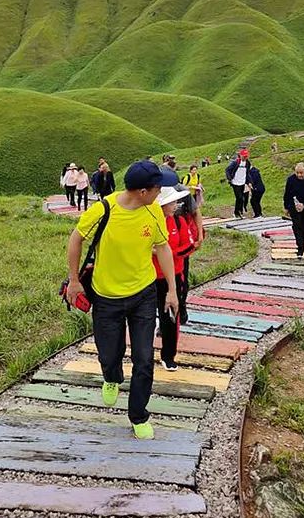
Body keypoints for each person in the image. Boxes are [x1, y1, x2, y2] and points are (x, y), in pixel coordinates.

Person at [66, 161, 176, 440]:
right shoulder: (104, 209)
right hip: (106, 297)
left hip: (143, 293)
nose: (160, 193)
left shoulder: (153, 211)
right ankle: (112, 377)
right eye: (157, 188)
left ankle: (138, 415)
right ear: (142, 191)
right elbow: (76, 239)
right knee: (109, 355)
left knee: (143, 359)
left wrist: (172, 291)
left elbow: (162, 248)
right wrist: (75, 281)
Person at [153, 186, 190, 371]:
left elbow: (189, 246)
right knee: (144, 316)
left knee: (170, 316)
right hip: (148, 276)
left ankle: (168, 356)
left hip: (173, 277)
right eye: (173, 202)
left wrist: (166, 253)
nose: (176, 205)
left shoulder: (179, 221)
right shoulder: (150, 221)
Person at [174, 185, 202, 325]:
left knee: (181, 276)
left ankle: (182, 306)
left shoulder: (181, 191)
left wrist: (200, 234)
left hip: (181, 240)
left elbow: (196, 211)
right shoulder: (152, 191)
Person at [225, 149, 252, 218]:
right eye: (244, 156)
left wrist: (249, 182)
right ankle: (237, 213)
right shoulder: (236, 162)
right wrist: (230, 179)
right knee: (240, 198)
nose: (245, 157)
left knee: (242, 198)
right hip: (235, 182)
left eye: (246, 156)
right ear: (240, 155)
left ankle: (239, 213)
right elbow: (227, 170)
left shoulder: (247, 163)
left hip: (242, 182)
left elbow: (247, 173)